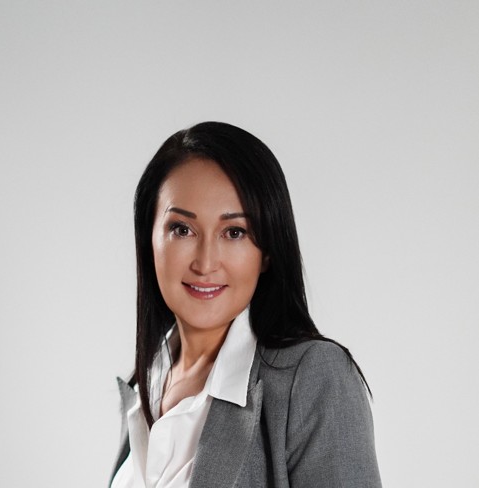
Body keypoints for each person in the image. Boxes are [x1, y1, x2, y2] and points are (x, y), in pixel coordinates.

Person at [110, 121, 382, 487]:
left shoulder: (313, 379)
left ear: (267, 250)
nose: (206, 263)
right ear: (149, 238)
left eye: (234, 232)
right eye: (182, 229)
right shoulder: (148, 380)